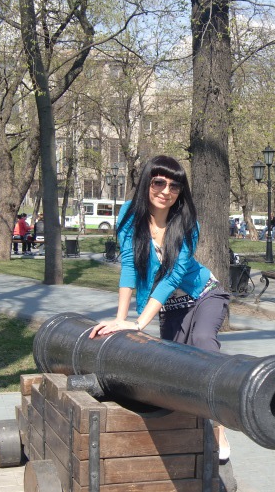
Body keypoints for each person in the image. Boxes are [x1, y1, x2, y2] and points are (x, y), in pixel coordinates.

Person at [89, 155, 231, 459]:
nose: (166, 191)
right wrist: (120, 320)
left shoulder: (188, 224)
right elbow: (129, 266)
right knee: (176, 365)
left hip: (205, 294)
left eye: (174, 186)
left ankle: (217, 424)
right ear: (147, 183)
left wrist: (139, 323)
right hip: (172, 307)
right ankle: (189, 426)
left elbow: (172, 277)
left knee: (203, 342)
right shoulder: (129, 216)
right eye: (159, 182)